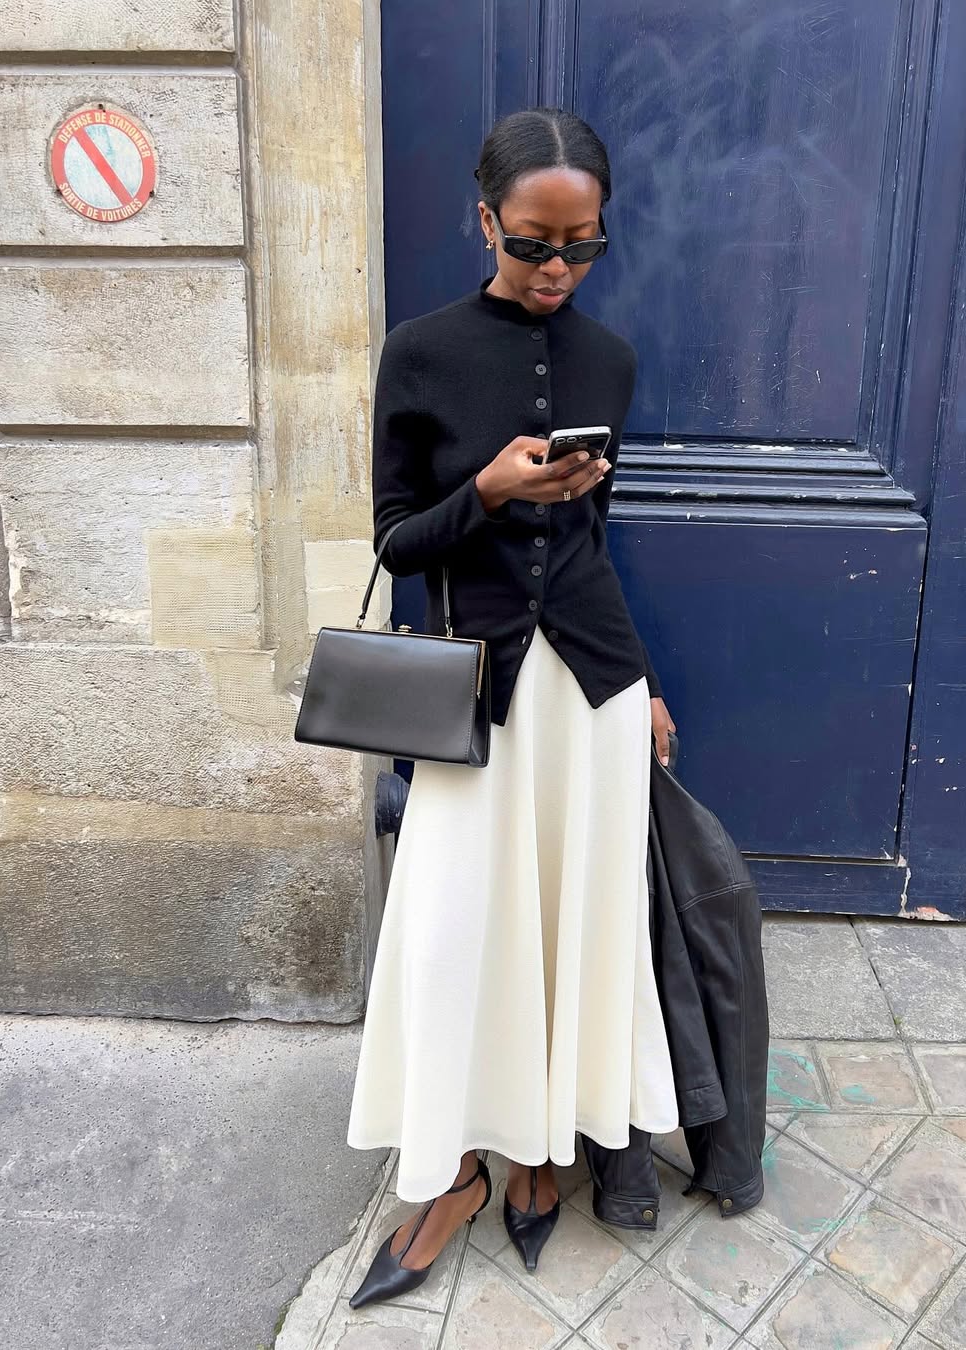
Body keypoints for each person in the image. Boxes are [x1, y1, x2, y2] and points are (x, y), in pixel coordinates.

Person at [346, 106, 679, 1309]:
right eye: (533, 242)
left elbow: (594, 537)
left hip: (590, 689)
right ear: (484, 219)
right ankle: (452, 1170)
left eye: (580, 248)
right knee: (453, 932)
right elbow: (393, 538)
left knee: (567, 925)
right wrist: (485, 491)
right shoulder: (421, 353)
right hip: (474, 693)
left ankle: (542, 1151)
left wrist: (643, 686)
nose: (554, 270)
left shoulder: (612, 361)